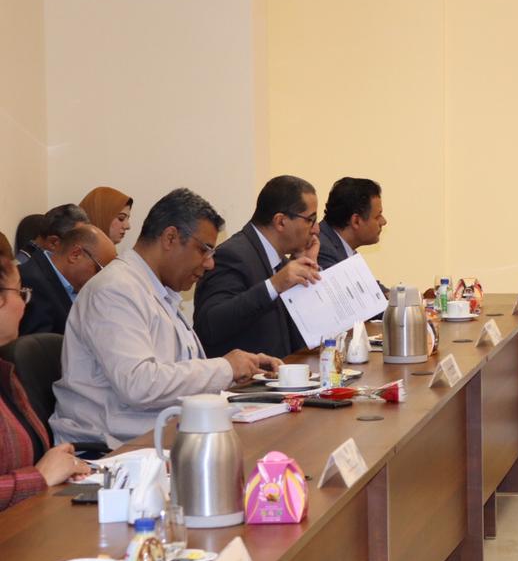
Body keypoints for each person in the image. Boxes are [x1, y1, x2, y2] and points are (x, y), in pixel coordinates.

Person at [50, 189, 279, 450]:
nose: (210, 264)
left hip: (155, 439)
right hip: (111, 452)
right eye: (204, 250)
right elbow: (139, 384)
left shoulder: (156, 290)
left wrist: (241, 367)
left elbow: (178, 371)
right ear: (170, 237)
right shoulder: (114, 289)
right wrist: (225, 368)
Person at [0, 232, 91, 510]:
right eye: (20, 293)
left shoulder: (6, 373)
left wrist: (55, 463)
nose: (24, 305)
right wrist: (38, 477)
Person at [194, 175, 321, 359]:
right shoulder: (231, 255)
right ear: (280, 221)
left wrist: (310, 270)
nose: (316, 229)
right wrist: (274, 285)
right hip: (245, 377)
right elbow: (209, 325)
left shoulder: (284, 264)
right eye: (310, 219)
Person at [19, 223, 116, 335]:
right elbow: (38, 344)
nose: (101, 279)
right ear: (75, 255)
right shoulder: (31, 283)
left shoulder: (75, 285)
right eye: (100, 270)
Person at [317, 177, 387, 270]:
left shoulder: (343, 249)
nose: (383, 222)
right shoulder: (321, 249)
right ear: (356, 221)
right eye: (378, 216)